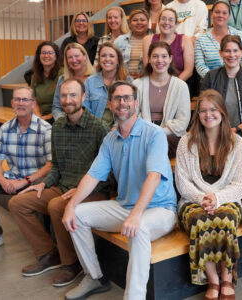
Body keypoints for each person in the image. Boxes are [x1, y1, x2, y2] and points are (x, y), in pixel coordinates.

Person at [62, 81, 177, 300]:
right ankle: (94, 276)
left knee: (139, 228)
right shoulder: (110, 139)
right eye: (117, 98)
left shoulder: (154, 134)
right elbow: (93, 176)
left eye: (127, 98)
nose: (122, 103)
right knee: (76, 215)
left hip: (160, 210)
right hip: (125, 207)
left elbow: (154, 176)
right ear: (110, 103)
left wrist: (135, 216)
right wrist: (70, 205)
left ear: (136, 102)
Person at [7, 79, 110, 287]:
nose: (68, 100)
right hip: (62, 186)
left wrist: (80, 191)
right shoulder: (58, 127)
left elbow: (109, 173)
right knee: (18, 203)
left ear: (83, 97)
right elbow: (55, 166)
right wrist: (44, 183)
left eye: (73, 95)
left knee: (56, 206)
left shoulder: (99, 127)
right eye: (64, 96)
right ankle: (48, 254)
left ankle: (71, 263)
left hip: (93, 190)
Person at [175, 89, 242, 300]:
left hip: (228, 199)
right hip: (192, 200)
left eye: (213, 109)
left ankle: (226, 277)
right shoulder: (185, 142)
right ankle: (213, 281)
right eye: (203, 110)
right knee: (199, 220)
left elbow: (240, 185)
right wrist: (203, 200)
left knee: (225, 218)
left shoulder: (238, 144)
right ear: (197, 115)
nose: (208, 114)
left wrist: (217, 198)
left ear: (223, 112)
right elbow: (183, 183)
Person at [0, 87, 52, 254]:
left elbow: (50, 166)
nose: (21, 103)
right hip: (13, 178)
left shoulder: (45, 129)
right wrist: (4, 181)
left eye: (25, 100)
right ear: (12, 103)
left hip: (36, 180)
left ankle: (45, 242)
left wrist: (23, 182)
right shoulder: (5, 129)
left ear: (33, 103)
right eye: (17, 99)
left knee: (37, 191)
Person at [133, 41, 191, 158]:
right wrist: (148, 132)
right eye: (155, 56)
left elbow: (182, 122)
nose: (160, 60)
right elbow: (133, 116)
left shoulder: (180, 86)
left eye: (164, 56)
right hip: (143, 134)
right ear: (149, 59)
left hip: (171, 136)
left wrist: (158, 133)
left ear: (170, 59)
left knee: (162, 143)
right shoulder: (137, 85)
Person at [201, 34, 242, 137]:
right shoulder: (211, 77)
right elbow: (204, 109)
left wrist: (236, 129)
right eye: (227, 51)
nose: (231, 55)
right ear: (221, 53)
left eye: (235, 50)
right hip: (215, 132)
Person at [194, 1, 242, 78]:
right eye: (217, 12)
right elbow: (200, 65)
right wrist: (215, 80)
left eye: (224, 13)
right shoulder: (201, 40)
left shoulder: (240, 36)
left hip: (238, 80)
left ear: (229, 16)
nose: (220, 15)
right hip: (211, 84)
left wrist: (234, 78)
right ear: (211, 14)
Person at [84, 42, 131, 125]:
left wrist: (116, 128)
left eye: (111, 56)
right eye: (103, 56)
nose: (107, 59)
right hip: (94, 129)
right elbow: (84, 109)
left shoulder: (128, 81)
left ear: (118, 60)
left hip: (121, 129)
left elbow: (131, 111)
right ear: (99, 60)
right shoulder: (89, 82)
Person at [142, 7, 194, 82]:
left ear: (176, 24)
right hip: (154, 82)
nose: (166, 22)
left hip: (179, 83)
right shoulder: (147, 40)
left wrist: (171, 86)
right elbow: (147, 68)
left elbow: (188, 71)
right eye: (163, 19)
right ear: (158, 22)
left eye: (171, 20)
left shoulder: (185, 40)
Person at [52, 43, 94, 121]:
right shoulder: (62, 79)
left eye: (77, 56)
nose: (74, 60)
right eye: (70, 57)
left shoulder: (96, 78)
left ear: (84, 56)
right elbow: (56, 107)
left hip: (92, 126)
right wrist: (64, 123)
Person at [31, 41, 63, 122]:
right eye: (43, 53)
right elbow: (33, 99)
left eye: (50, 53)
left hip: (58, 117)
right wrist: (38, 116)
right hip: (40, 116)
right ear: (39, 56)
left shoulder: (62, 74)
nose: (46, 56)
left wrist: (46, 118)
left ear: (56, 56)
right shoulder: (36, 76)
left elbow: (65, 103)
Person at [114, 9, 151, 79]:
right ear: (130, 24)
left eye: (142, 20)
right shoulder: (120, 40)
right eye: (135, 20)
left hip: (147, 80)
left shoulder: (155, 40)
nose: (139, 22)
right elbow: (113, 63)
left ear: (148, 23)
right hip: (124, 81)